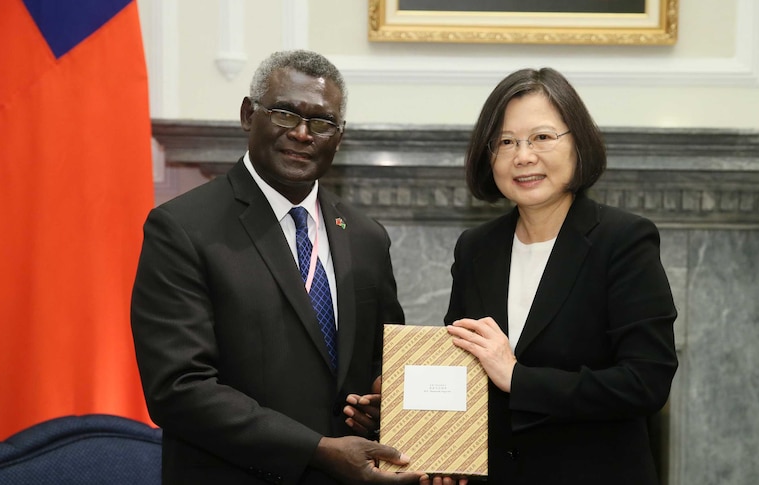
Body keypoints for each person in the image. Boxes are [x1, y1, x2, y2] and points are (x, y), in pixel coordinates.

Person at [131, 50, 425, 484]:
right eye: (286, 114)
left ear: (339, 136)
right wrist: (318, 451)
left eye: (322, 122)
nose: (303, 134)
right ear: (249, 114)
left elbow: (384, 365)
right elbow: (179, 389)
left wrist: (385, 408)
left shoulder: (366, 237)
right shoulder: (182, 228)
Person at [442, 68, 678, 485]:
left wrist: (518, 378)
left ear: (578, 144)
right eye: (506, 142)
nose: (523, 156)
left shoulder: (623, 240)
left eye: (542, 137)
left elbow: (646, 382)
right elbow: (461, 370)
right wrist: (416, 417)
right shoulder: (476, 247)